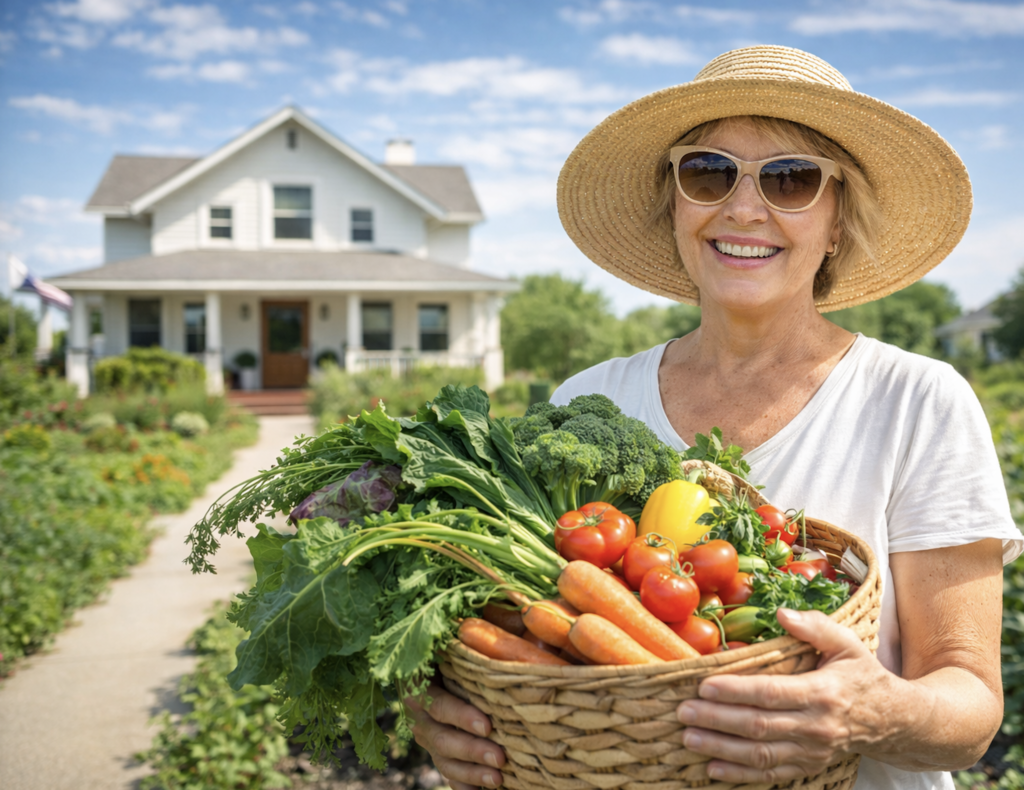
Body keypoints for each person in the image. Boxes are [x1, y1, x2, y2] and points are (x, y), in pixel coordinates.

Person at [406, 45, 1023, 790]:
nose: (743, 207)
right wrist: (458, 716)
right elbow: (523, 627)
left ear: (835, 222)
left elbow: (971, 707)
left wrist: (873, 713)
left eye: (791, 179)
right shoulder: (584, 401)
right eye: (708, 172)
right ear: (675, 203)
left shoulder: (918, 401)